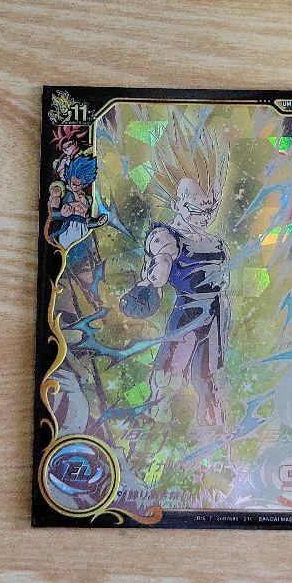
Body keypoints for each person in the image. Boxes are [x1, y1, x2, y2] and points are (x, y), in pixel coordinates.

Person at [120, 114, 230, 430]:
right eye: (197, 209)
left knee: (208, 380)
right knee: (169, 377)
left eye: (212, 207)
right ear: (176, 203)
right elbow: (159, 269)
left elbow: (223, 280)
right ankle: (149, 434)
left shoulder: (214, 241)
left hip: (216, 316)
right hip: (187, 316)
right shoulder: (166, 237)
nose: (206, 216)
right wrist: (149, 284)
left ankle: (215, 436)